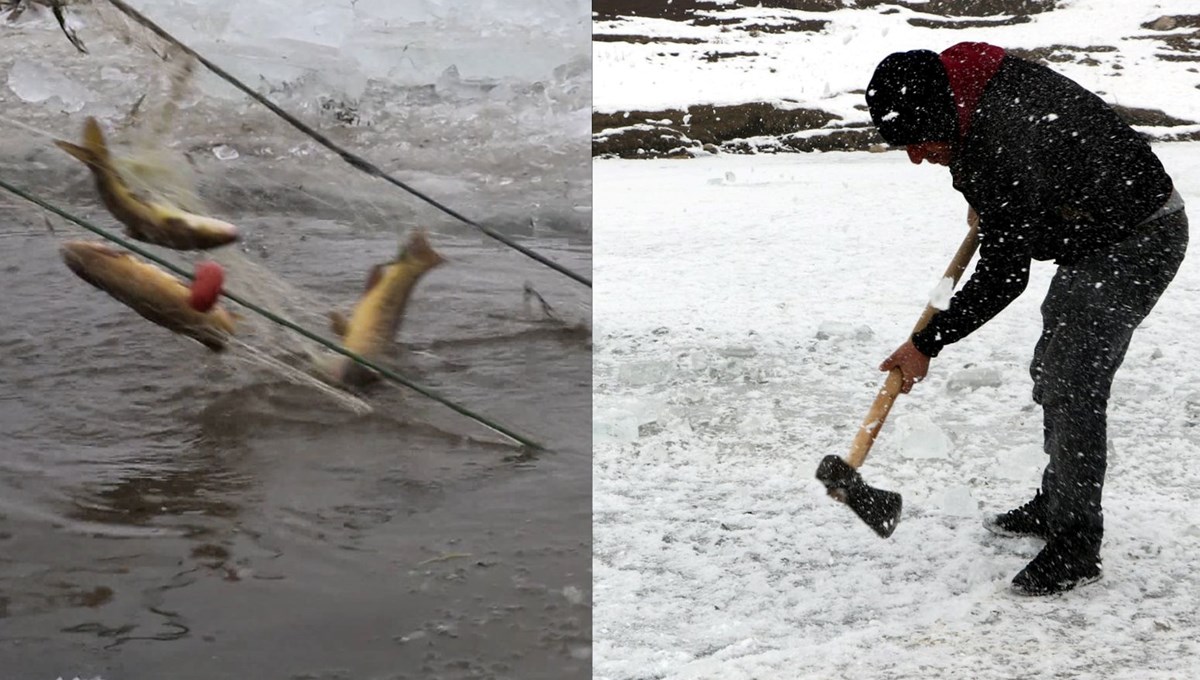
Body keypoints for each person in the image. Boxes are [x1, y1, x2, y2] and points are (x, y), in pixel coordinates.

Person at [865, 41, 1188, 596]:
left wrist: (926, 342)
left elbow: (1004, 277)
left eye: (917, 141)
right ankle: (1056, 501)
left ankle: (1076, 543)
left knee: (1072, 378)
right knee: (1054, 370)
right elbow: (1024, 180)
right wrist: (1002, 203)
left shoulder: (1001, 135)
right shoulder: (970, 97)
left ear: (941, 116)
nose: (915, 157)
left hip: (1138, 236)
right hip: (1089, 226)